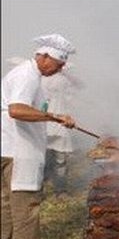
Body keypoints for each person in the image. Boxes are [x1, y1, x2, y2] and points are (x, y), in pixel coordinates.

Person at [1, 34, 77, 239]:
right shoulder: (28, 75)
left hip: (8, 146)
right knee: (27, 202)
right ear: (44, 57)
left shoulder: (28, 74)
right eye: (59, 63)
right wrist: (54, 117)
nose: (62, 68)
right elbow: (17, 110)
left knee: (5, 201)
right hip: (19, 149)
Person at [42, 66, 83, 196]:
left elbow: (79, 86)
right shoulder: (40, 78)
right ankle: (50, 190)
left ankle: (60, 191)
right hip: (44, 123)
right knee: (46, 160)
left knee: (60, 160)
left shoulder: (64, 80)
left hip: (60, 124)